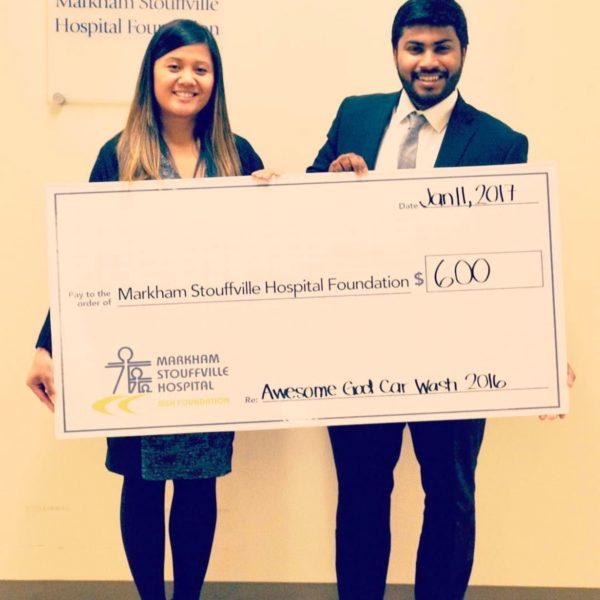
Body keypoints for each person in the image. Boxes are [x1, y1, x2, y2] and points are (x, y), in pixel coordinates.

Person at [26, 19, 264, 600]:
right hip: (133, 351)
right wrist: (46, 345)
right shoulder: (118, 156)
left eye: (201, 68)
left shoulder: (238, 155)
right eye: (174, 65)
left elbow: (266, 254)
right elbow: (81, 259)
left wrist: (271, 200)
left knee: (198, 481)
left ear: (216, 79)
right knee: (141, 482)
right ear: (151, 74)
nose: (188, 78)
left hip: (211, 354)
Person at [307, 1, 529, 599]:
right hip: (358, 347)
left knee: (450, 496)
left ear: (462, 52)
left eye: (442, 47)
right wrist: (329, 179)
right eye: (416, 48)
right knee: (360, 493)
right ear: (396, 52)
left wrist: (538, 345)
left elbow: (514, 257)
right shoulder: (354, 116)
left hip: (455, 353)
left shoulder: (501, 143)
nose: (429, 61)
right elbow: (306, 213)